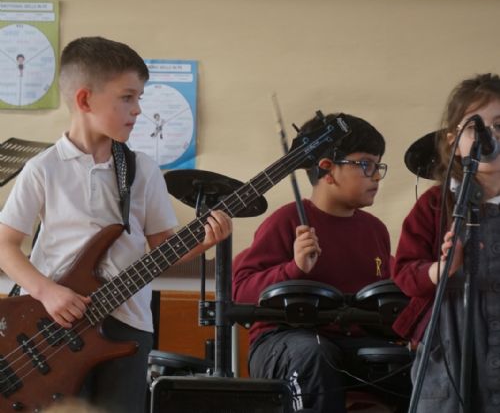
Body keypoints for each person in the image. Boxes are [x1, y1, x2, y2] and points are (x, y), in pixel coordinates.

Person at [0, 36, 232, 413]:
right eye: (127, 97)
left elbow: (163, 248)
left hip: (129, 323)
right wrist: (48, 292)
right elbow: (4, 244)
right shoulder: (43, 169)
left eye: (139, 98)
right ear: (84, 100)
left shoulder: (144, 170)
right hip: (54, 324)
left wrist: (203, 241)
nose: (138, 109)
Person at [233, 113, 392, 413]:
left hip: (351, 343)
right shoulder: (286, 220)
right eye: (365, 164)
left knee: (417, 363)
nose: (376, 176)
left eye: (378, 166)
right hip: (283, 342)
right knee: (313, 354)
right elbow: (240, 291)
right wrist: (293, 269)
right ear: (327, 169)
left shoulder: (375, 230)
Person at [392, 73, 500, 412]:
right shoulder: (436, 204)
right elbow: (404, 273)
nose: (489, 135)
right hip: (449, 344)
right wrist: (441, 269)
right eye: (475, 126)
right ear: (454, 140)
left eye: (499, 125)